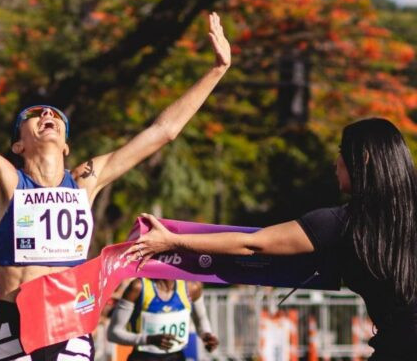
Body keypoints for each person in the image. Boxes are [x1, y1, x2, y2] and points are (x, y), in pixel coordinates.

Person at [0, 0, 231, 360]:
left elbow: (162, 131)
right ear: (18, 145)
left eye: (55, 116)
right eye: (35, 115)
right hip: (16, 323)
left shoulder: (85, 181)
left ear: (65, 146)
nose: (47, 115)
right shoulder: (5, 180)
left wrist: (217, 70)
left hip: (69, 324)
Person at [127, 118, 417, 360]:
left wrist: (172, 242)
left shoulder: (342, 222)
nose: (336, 161)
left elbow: (253, 244)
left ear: (363, 159)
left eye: (342, 151)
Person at [107, 278, 218, 360]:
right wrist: (149, 340)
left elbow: (201, 320)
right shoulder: (138, 287)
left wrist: (206, 335)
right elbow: (113, 334)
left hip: (176, 357)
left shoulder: (192, 287)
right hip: (143, 357)